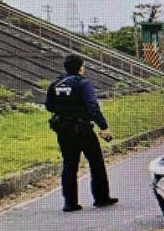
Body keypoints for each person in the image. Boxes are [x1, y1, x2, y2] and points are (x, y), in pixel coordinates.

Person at [45, 55, 117, 212]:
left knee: (69, 164)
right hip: (82, 128)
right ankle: (101, 197)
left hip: (63, 129)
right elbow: (92, 106)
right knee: (96, 161)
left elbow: (49, 107)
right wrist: (103, 126)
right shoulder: (83, 83)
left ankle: (70, 202)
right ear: (80, 68)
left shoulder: (55, 84)